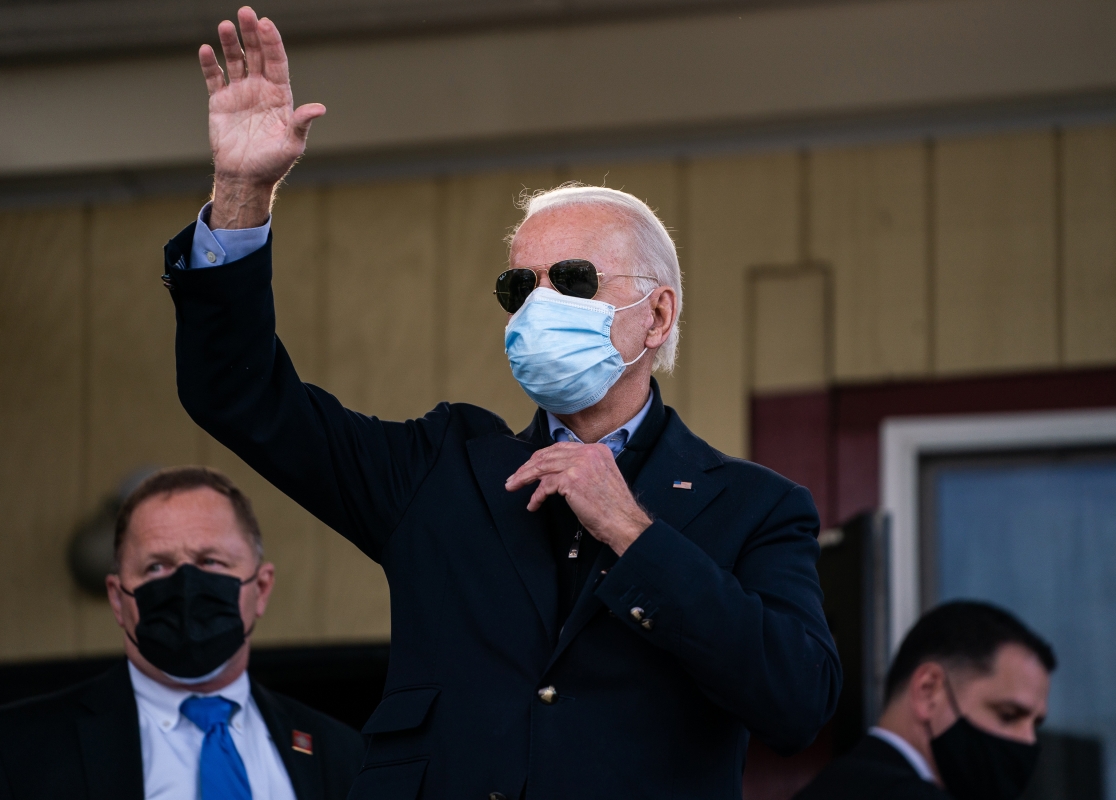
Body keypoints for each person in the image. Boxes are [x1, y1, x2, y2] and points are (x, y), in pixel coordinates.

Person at [161, 8, 841, 798]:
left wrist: (631, 529)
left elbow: (798, 704)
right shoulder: (440, 470)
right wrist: (242, 193)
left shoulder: (753, 509)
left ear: (657, 315)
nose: (541, 305)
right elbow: (239, 395)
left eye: (576, 280)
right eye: (522, 287)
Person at [0, 466, 365, 800]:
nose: (186, 585)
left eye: (212, 562)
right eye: (156, 567)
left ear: (261, 588)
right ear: (116, 598)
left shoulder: (342, 755)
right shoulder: (12, 751)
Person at [795, 601, 1056, 800]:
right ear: (928, 690)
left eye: (1036, 725)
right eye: (1008, 715)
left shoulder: (829, 786)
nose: (1028, 741)